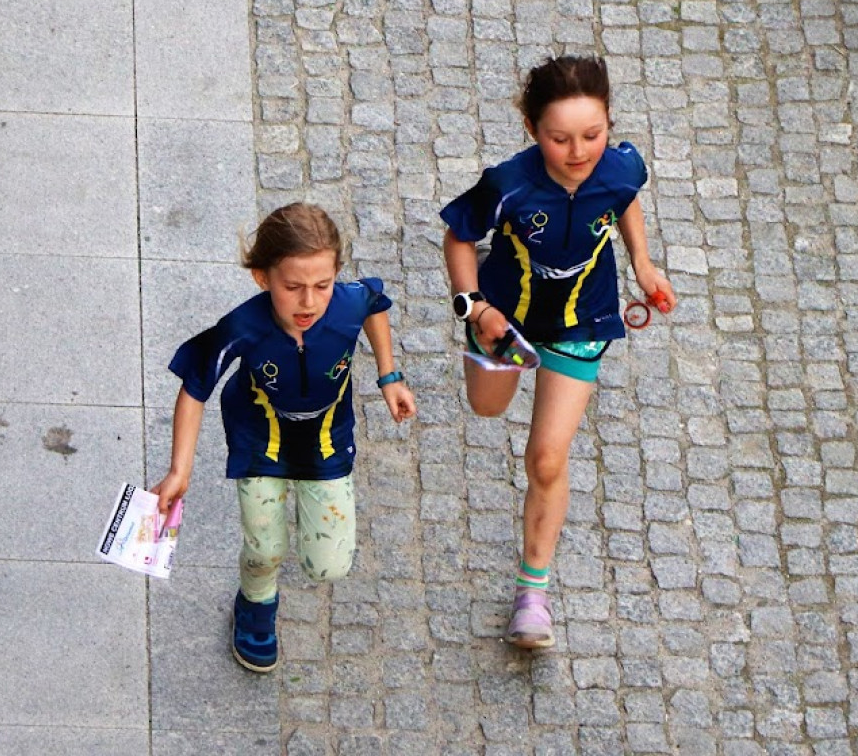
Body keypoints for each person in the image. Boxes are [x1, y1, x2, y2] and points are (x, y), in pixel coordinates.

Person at [440, 56, 676, 649]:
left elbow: (624, 199)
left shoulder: (621, 167)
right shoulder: (508, 184)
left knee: (547, 458)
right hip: (506, 323)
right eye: (560, 138)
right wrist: (474, 306)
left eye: (592, 135)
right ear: (530, 128)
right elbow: (460, 236)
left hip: (583, 319)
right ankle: (494, 349)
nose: (578, 152)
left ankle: (532, 594)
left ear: (609, 124)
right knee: (489, 408)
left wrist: (642, 264)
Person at [151, 202, 416, 672]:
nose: (309, 302)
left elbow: (375, 303)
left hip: (326, 441)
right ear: (262, 278)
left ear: (336, 274)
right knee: (265, 548)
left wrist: (389, 374)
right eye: (292, 287)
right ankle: (254, 605)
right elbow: (194, 388)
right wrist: (179, 470)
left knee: (327, 566)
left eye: (322, 285)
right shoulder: (244, 327)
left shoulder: (349, 302)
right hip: (260, 441)